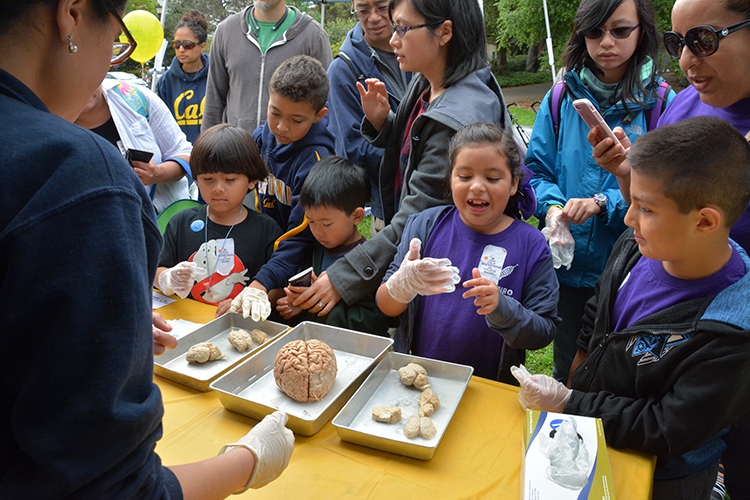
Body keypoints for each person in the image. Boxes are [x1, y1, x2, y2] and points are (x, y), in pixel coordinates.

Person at [0, 0, 294, 497]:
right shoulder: (74, 175)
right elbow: (110, 487)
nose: (110, 64)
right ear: (72, 14)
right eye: (116, 39)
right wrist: (247, 462)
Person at [513, 116, 750, 499]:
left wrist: (572, 402)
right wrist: (575, 381)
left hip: (666, 477)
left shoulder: (731, 331)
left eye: (646, 208)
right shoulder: (637, 247)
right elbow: (598, 312)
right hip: (596, 431)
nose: (627, 217)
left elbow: (667, 427)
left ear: (705, 220)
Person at [588, 2, 750, 494]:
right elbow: (660, 204)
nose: (684, 63)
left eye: (702, 39)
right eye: (678, 44)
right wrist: (627, 180)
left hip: (722, 350)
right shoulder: (686, 102)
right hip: (653, 336)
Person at [293, 0, 521, 320]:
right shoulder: (430, 80)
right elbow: (414, 149)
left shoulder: (457, 119)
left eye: (402, 28)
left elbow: (417, 218)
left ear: (444, 32)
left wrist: (343, 277)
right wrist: (382, 123)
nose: (392, 39)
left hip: (447, 281)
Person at [525, 0, 675, 383]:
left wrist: (603, 203)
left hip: (633, 271)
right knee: (566, 373)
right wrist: (554, 206)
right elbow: (535, 170)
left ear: (641, 32)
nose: (606, 42)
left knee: (622, 378)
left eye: (620, 30)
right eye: (595, 31)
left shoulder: (662, 105)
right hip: (569, 271)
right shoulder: (559, 98)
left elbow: (671, 190)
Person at [376, 123, 559, 383]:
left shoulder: (531, 244)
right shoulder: (424, 226)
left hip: (488, 389)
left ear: (513, 183)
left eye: (492, 178)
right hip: (419, 379)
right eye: (464, 176)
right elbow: (386, 306)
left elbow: (543, 332)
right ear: (450, 179)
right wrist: (402, 285)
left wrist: (501, 308)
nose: (477, 187)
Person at [219, 55, 335, 317]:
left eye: (296, 120)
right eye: (275, 113)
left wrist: (261, 285)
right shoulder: (261, 137)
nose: (282, 127)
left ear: (319, 115)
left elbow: (300, 237)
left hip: (296, 272)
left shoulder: (315, 161)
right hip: (265, 255)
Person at [155, 124, 282, 306]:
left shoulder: (266, 229)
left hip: (241, 326)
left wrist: (248, 302)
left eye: (230, 179)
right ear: (196, 179)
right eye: (208, 179)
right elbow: (156, 270)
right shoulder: (181, 223)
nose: (218, 188)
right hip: (188, 324)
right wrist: (167, 279)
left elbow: (280, 287)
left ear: (252, 180)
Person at [276, 156, 392, 336]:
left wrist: (317, 305)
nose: (318, 231)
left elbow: (376, 320)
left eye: (327, 224)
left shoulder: (372, 262)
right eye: (311, 221)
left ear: (357, 216)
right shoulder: (313, 253)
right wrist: (298, 304)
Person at [326, 0, 412, 233]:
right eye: (363, 10)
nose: (373, 17)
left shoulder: (419, 48)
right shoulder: (343, 70)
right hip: (389, 210)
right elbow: (351, 150)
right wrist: (414, 160)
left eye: (382, 8)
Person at [202, 0, 333, 134]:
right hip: (235, 149)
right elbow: (214, 98)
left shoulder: (314, 35)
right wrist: (206, 147)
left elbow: (326, 103)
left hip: (292, 152)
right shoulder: (226, 31)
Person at [75, 78, 194, 214]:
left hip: (160, 223)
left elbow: (184, 153)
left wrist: (157, 173)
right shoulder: (47, 120)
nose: (80, 87)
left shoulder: (132, 96)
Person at [156, 9, 209, 144]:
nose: (181, 49)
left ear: (202, 46)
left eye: (187, 44)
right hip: (179, 153)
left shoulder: (216, 75)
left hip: (212, 152)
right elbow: (160, 123)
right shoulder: (166, 81)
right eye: (177, 44)